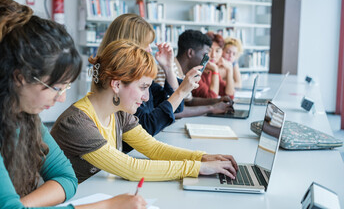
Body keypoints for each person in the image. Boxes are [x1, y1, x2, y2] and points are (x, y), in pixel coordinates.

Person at [0, 0, 146, 209]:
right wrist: (107, 206)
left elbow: (66, 177)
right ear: (20, 77)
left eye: (65, 88)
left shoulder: (24, 115)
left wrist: (18, 206)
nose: (61, 98)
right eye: (56, 87)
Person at [51, 39, 238, 184]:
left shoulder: (119, 113)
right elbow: (132, 168)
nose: (147, 97)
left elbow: (153, 148)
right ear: (116, 84)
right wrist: (197, 168)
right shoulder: (77, 123)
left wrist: (202, 157)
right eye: (143, 87)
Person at [93, 13, 200, 137]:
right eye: (146, 44)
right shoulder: (122, 83)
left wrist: (168, 68)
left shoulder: (139, 78)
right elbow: (146, 127)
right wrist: (181, 92)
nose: (150, 50)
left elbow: (176, 107)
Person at [169, 30, 234, 118]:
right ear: (190, 53)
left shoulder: (182, 73)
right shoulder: (169, 71)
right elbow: (170, 111)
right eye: (205, 55)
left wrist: (218, 101)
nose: (207, 59)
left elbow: (190, 101)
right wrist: (211, 108)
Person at [191, 31, 235, 99]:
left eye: (217, 51)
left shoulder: (210, 71)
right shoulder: (196, 72)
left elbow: (229, 96)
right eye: (209, 51)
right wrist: (215, 70)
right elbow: (211, 98)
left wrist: (229, 70)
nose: (213, 55)